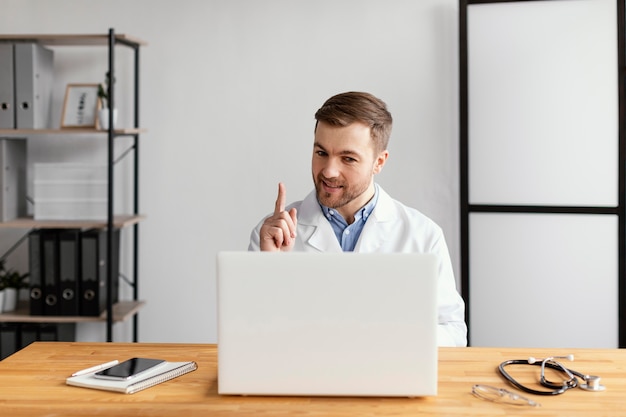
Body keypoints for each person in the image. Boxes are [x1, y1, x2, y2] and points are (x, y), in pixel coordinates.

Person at [248, 91, 467, 347]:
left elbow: (452, 332)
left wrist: (393, 337)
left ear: (379, 162)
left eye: (348, 158)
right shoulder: (273, 235)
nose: (328, 171)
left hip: (388, 379)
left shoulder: (423, 236)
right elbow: (251, 338)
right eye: (321, 153)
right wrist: (270, 268)